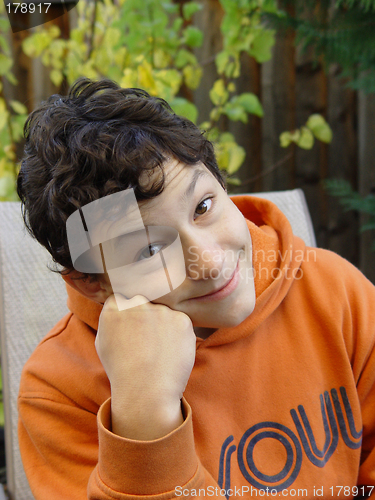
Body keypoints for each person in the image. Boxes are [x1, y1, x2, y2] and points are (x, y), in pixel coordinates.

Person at [17, 78, 375, 500]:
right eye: (149, 249)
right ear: (92, 282)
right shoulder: (58, 393)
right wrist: (145, 419)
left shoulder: (336, 293)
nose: (208, 261)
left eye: (203, 206)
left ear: (223, 186)